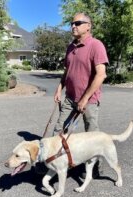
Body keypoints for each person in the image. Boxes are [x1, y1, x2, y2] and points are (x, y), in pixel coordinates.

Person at [53, 12, 109, 178]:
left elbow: (101, 75)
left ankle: (96, 166)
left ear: (88, 26)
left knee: (92, 135)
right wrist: (59, 87)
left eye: (78, 23)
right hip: (70, 98)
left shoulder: (96, 45)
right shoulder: (71, 47)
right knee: (58, 129)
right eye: (72, 23)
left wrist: (85, 99)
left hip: (89, 101)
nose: (73, 26)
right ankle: (53, 162)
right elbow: (67, 71)